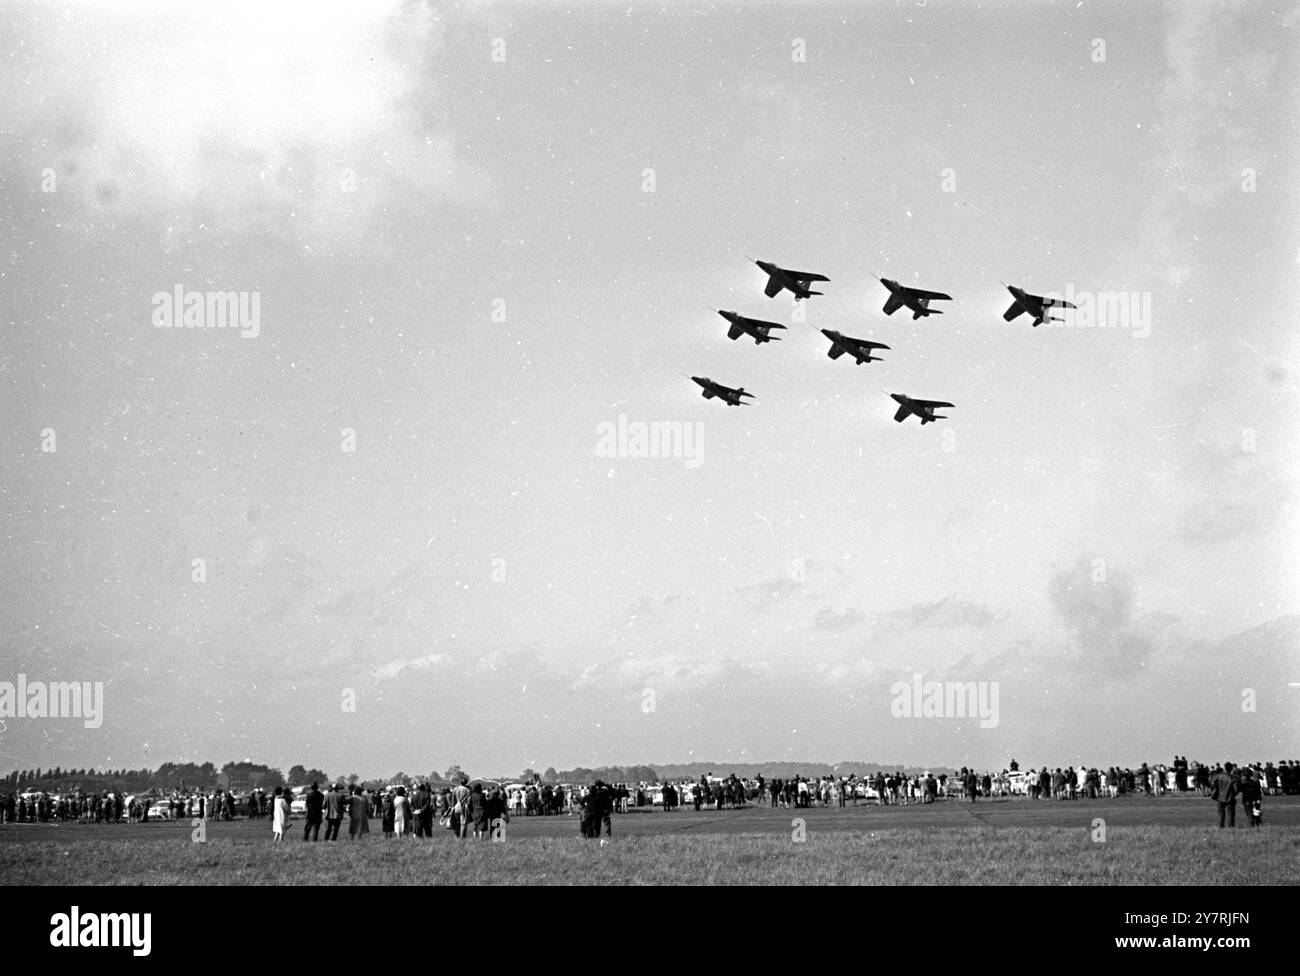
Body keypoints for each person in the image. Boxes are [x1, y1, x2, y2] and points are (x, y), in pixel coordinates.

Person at [1209, 763, 1238, 828]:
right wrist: (1233, 794)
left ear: (1224, 768)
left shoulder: (1217, 776)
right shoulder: (1233, 778)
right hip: (1230, 798)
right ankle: (1231, 827)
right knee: (1230, 814)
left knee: (1221, 814)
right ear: (1232, 769)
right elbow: (1236, 789)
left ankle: (1221, 826)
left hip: (1219, 797)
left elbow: (1212, 785)